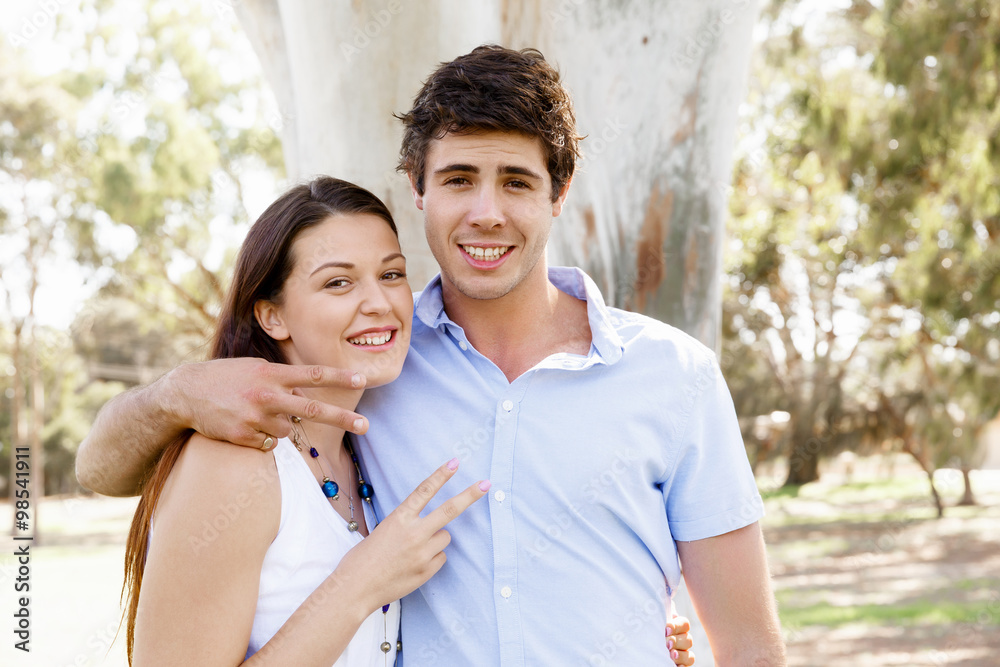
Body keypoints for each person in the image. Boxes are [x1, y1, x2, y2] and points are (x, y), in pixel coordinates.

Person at [78, 45, 776, 664]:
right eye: (458, 177)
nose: (486, 212)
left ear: (559, 193)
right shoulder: (368, 367)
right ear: (418, 188)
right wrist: (171, 394)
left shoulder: (672, 376)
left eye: (518, 181)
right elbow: (101, 468)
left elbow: (747, 645)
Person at [120, 176, 492, 665]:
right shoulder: (234, 465)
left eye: (392, 275)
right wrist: (360, 583)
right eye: (338, 282)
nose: (379, 303)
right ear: (273, 317)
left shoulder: (360, 448)